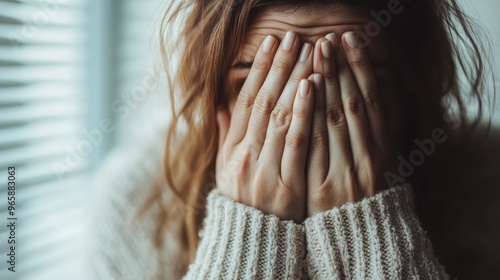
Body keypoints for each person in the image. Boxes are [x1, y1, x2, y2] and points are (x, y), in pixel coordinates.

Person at [87, 0, 500, 279]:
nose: (304, 124)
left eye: (351, 86)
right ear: (212, 93)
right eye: (264, 90)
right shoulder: (137, 202)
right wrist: (246, 235)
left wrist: (368, 228)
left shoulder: (488, 179)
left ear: (411, 93)